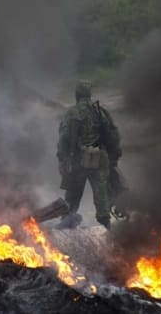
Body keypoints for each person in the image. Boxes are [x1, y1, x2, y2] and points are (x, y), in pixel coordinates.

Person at [56, 80, 122, 229]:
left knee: (73, 196)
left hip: (78, 160)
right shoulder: (100, 112)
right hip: (99, 159)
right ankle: (106, 226)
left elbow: (64, 137)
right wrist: (114, 157)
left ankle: (67, 226)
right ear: (89, 95)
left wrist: (62, 158)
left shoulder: (72, 113)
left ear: (77, 95)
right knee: (101, 195)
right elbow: (113, 135)